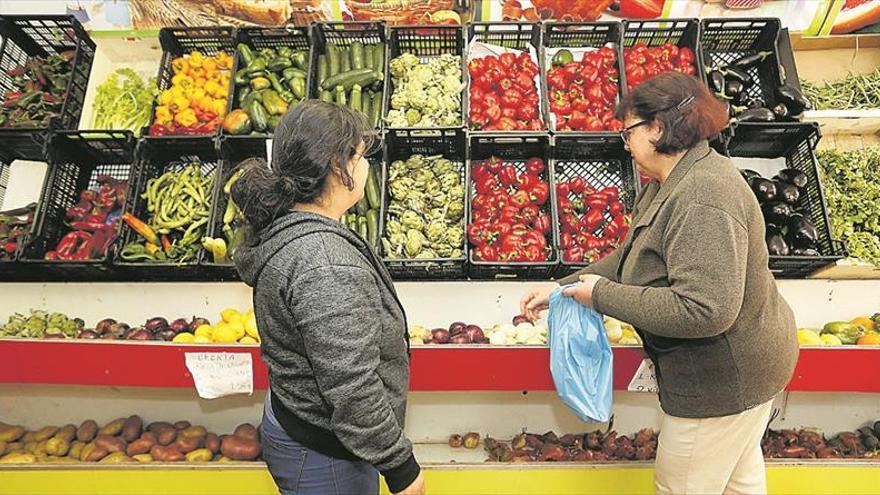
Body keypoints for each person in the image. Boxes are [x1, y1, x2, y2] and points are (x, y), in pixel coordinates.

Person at [521, 72, 798, 495]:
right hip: (740, 372)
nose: (625, 142)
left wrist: (600, 296)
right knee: (737, 482)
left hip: (722, 382)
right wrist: (564, 286)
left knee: (681, 485)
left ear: (658, 128)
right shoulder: (671, 183)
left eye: (628, 131)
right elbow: (630, 257)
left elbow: (705, 310)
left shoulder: (703, 196)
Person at [231, 100, 425, 495]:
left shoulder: (291, 227)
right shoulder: (324, 262)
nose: (366, 163)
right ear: (339, 167)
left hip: (301, 423)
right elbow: (351, 383)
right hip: (324, 452)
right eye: (359, 154)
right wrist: (400, 467)